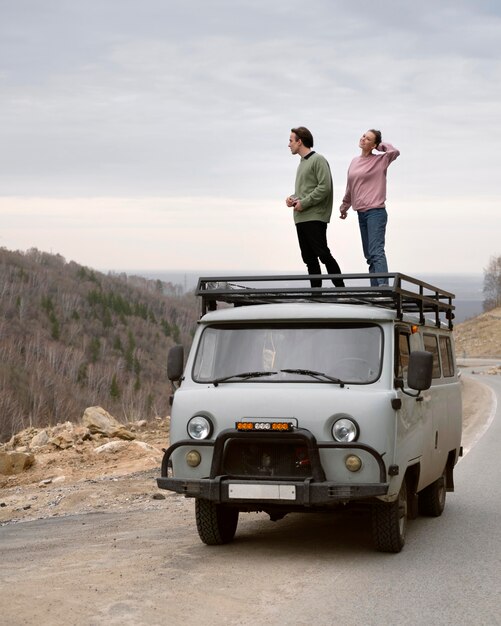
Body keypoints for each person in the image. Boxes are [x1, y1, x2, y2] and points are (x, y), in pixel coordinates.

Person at [339, 129, 400, 286]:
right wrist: (345, 206)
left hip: (376, 212)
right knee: (369, 255)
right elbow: (350, 186)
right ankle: (376, 291)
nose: (363, 139)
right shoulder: (354, 161)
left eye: (368, 139)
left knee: (376, 252)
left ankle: (384, 288)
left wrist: (380, 146)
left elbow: (394, 151)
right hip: (361, 213)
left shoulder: (380, 161)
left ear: (374, 144)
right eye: (363, 136)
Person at [286, 126, 344, 288]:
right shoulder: (302, 163)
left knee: (323, 254)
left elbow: (324, 187)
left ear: (300, 141)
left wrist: (303, 203)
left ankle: (343, 291)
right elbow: (305, 191)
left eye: (291, 141)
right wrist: (293, 199)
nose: (289, 144)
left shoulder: (318, 159)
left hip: (315, 216)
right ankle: (316, 295)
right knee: (309, 259)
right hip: (301, 218)